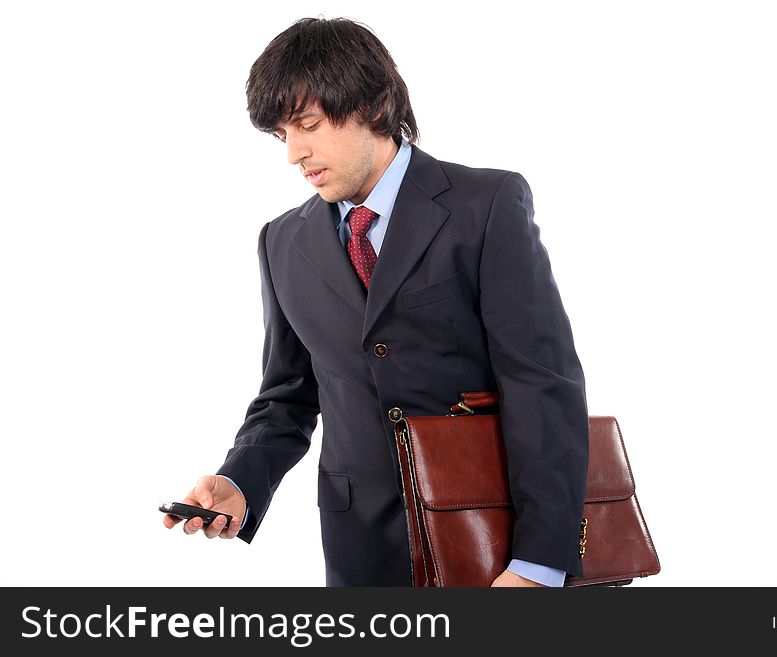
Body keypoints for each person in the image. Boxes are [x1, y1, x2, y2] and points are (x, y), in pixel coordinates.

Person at [163, 17, 589, 587]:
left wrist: (539, 561)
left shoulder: (485, 205)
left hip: (492, 533)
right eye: (281, 134)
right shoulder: (281, 242)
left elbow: (542, 382)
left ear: (372, 105)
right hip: (359, 548)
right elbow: (288, 395)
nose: (294, 153)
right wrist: (239, 480)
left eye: (307, 125)